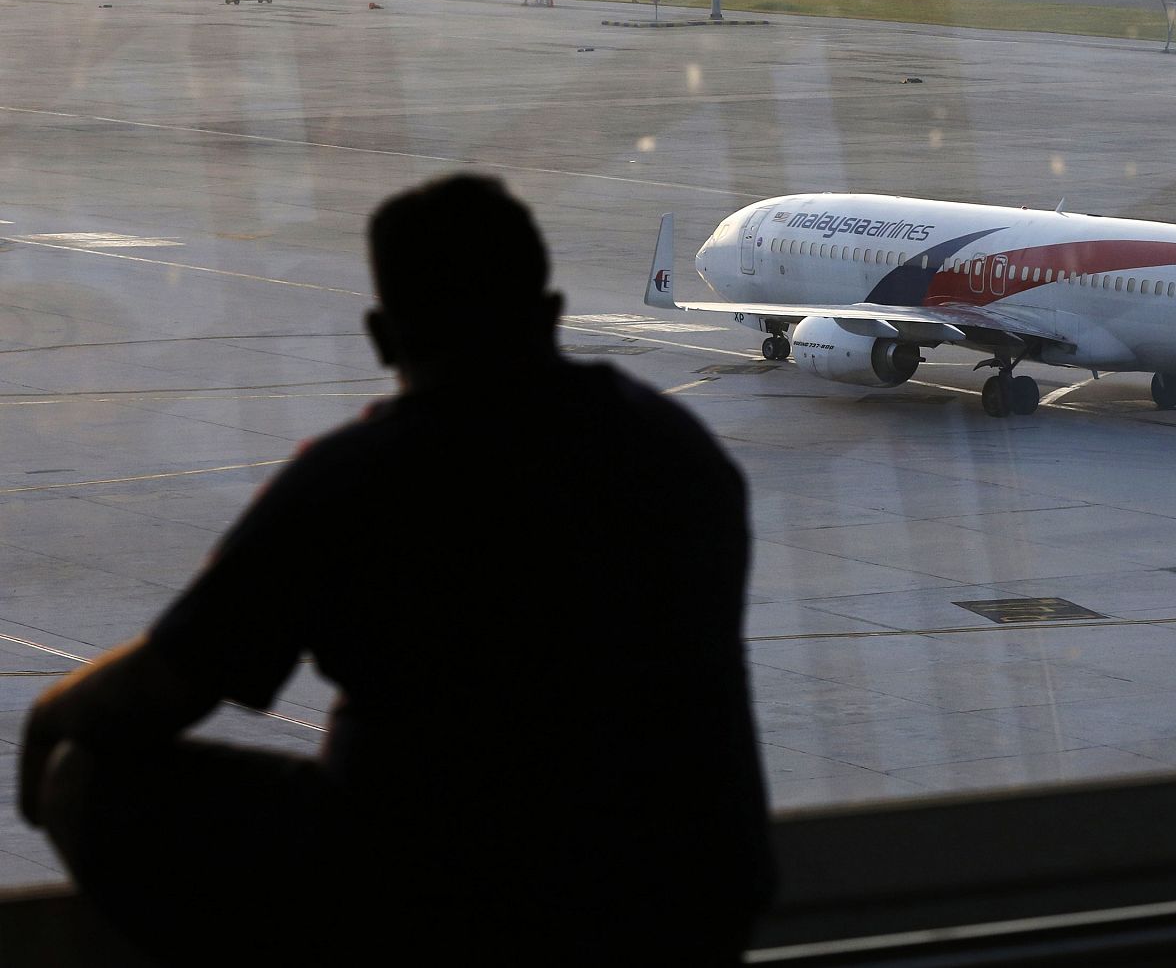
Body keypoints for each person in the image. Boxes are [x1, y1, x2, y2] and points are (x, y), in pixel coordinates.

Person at [18, 173, 776, 965]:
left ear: (383, 336)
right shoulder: (680, 451)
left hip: (442, 895)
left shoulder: (367, 475)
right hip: (687, 901)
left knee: (88, 779)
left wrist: (49, 714)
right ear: (551, 314)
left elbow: (167, 684)